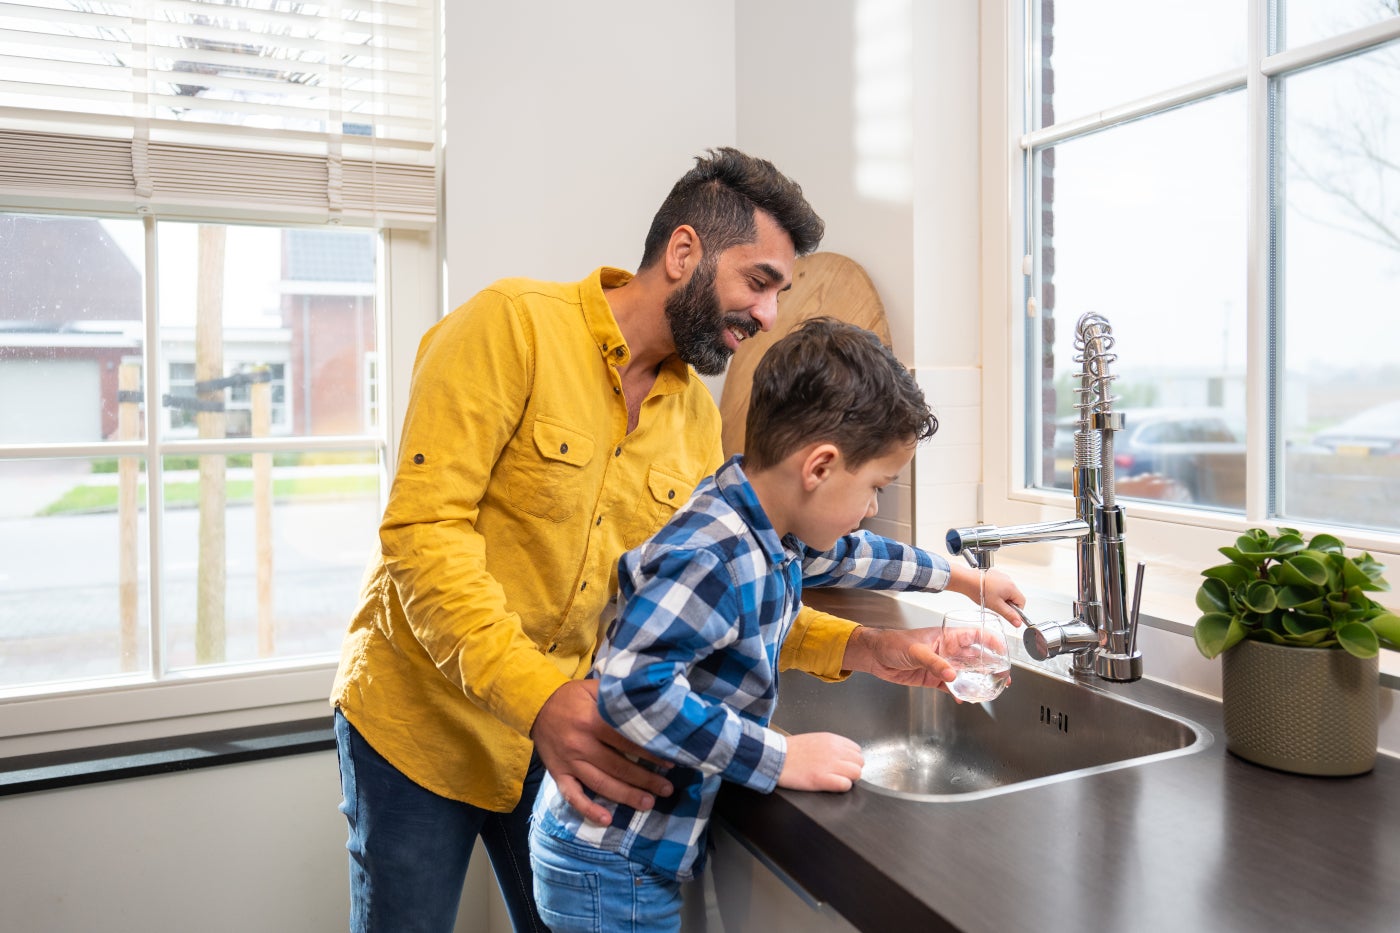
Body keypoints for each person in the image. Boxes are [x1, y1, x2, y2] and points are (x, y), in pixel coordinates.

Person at [329, 147, 1021, 933]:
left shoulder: (694, 417)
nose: (768, 316)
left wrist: (865, 645)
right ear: (684, 251)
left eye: (779, 294)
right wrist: (538, 697)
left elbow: (714, 599)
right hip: (425, 725)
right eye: (759, 282)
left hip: (572, 735)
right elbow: (423, 536)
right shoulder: (509, 328)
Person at [528, 317, 1025, 933]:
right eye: (875, 487)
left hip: (628, 845)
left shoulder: (765, 525)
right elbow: (632, 690)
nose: (872, 507)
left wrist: (963, 579)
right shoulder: (713, 555)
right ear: (819, 468)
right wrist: (779, 757)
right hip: (610, 856)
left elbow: (855, 555)